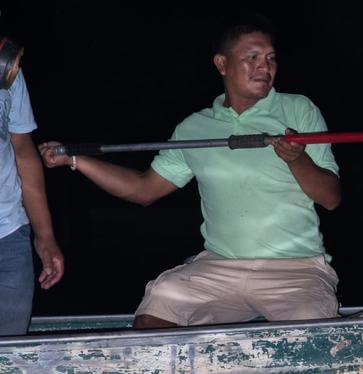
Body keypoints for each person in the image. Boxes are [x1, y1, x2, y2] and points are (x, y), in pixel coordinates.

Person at [39, 16, 340, 329]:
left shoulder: (299, 110)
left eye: (271, 58)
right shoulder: (195, 128)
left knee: (312, 335)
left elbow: (331, 197)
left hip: (295, 270)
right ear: (222, 64)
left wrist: (297, 159)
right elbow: (144, 189)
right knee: (160, 301)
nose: (265, 67)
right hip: (220, 267)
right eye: (251, 58)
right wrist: (76, 160)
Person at [0, 38, 64, 336]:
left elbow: (23, 151)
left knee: (8, 364)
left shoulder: (6, 66)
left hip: (10, 239)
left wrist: (45, 235)